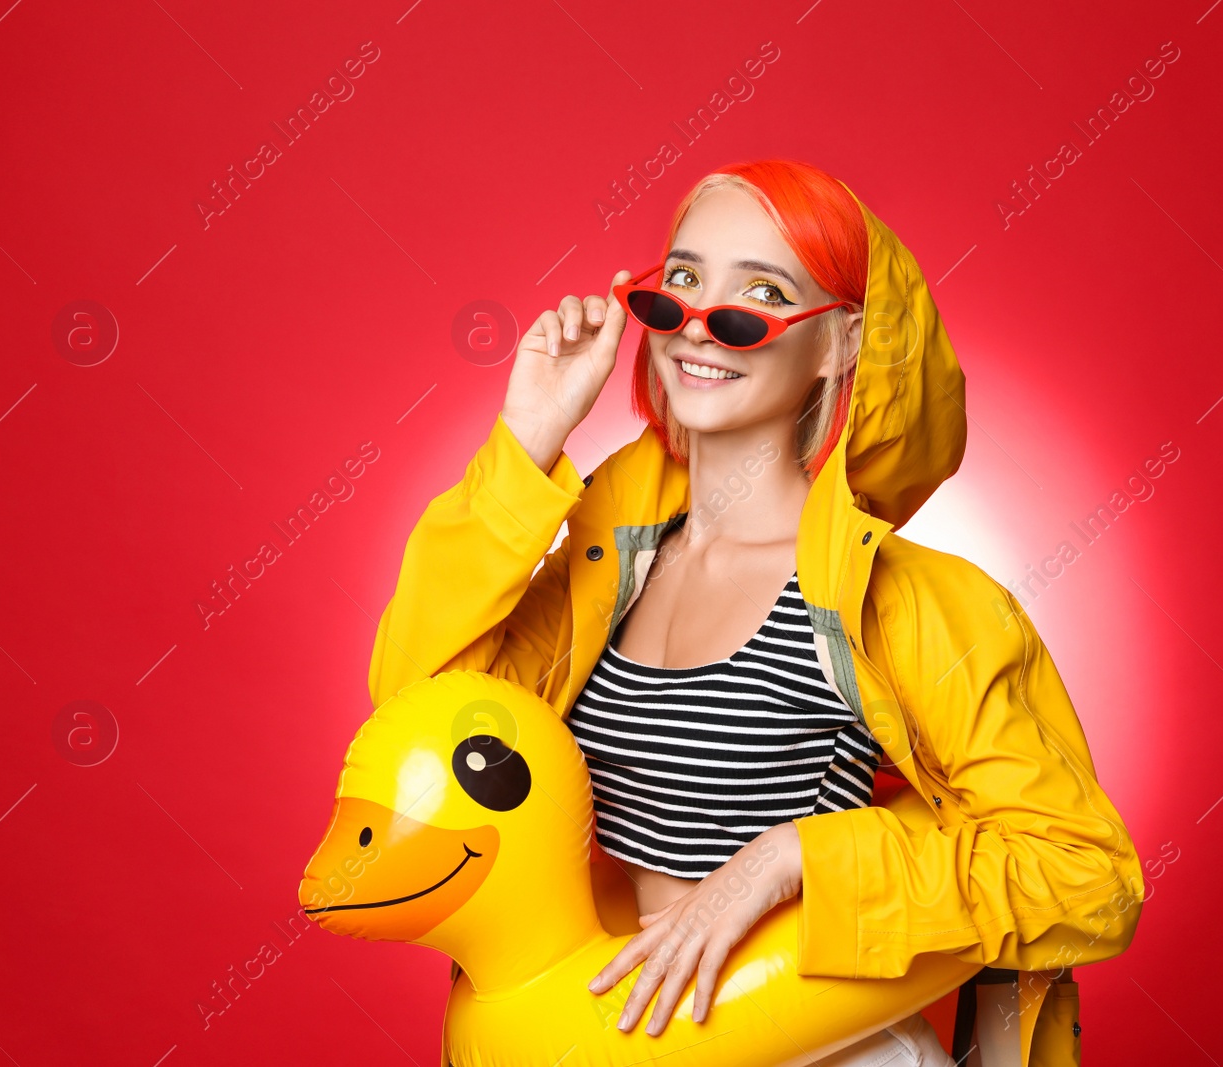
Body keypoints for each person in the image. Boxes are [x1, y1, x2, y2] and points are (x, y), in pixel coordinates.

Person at [369, 159, 1143, 1066]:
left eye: (759, 295)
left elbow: (1087, 876)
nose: (699, 325)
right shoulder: (601, 564)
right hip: (604, 1040)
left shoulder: (902, 602)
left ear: (844, 343)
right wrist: (529, 438)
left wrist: (794, 857)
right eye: (683, 283)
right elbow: (420, 731)